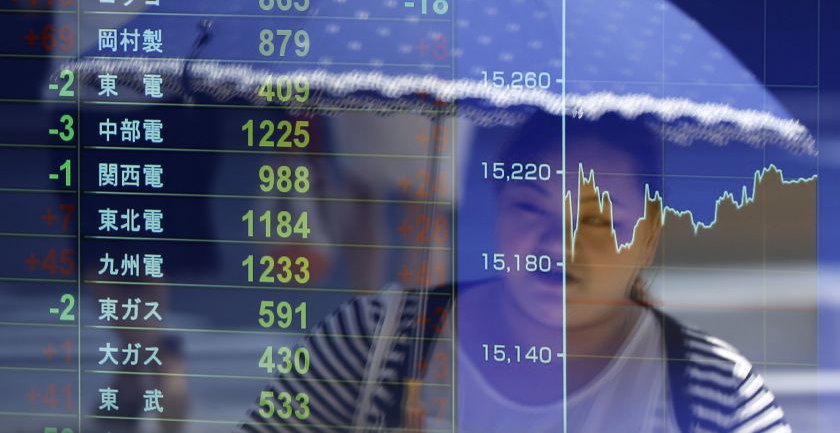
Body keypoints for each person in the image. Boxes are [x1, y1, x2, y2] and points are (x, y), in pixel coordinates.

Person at [232, 110, 790, 433]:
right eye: (531, 207)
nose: (558, 243)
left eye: (597, 218)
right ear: (495, 210)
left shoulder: (709, 387)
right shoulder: (375, 340)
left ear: (648, 235)